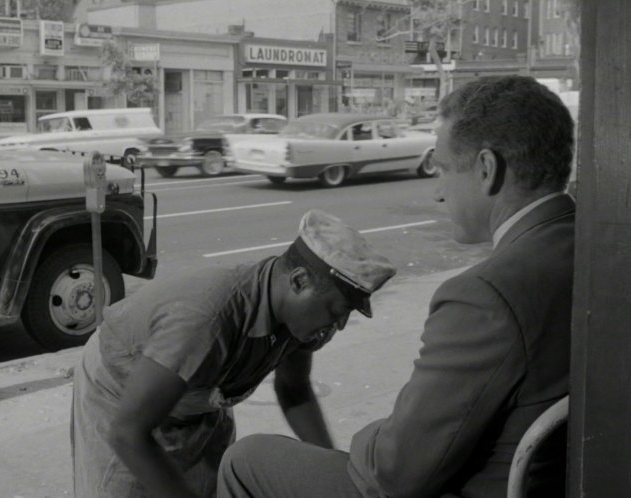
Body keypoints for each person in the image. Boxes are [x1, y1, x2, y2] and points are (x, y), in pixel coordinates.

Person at [217, 75, 576, 498]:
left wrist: (375, 434)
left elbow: (395, 472)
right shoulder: (596, 248)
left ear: (486, 169)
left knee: (246, 459)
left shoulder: (486, 295)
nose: (438, 194)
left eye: (442, 169)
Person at [71, 208, 396, 498]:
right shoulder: (205, 318)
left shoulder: (304, 320)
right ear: (299, 281)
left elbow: (294, 390)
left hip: (202, 392)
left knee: (216, 485)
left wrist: (334, 480)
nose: (339, 325)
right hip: (122, 393)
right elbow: (129, 433)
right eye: (336, 310)